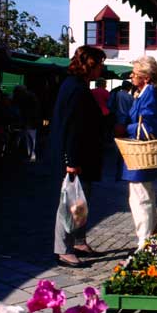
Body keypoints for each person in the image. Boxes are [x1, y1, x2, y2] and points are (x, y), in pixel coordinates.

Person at [49, 45, 106, 268]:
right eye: (100, 64)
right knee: (70, 203)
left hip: (83, 155)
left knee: (81, 201)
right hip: (76, 157)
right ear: (90, 65)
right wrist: (71, 162)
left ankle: (79, 241)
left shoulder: (77, 85)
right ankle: (63, 250)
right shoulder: (76, 89)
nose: (102, 68)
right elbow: (72, 127)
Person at [118, 56, 157, 250]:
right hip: (139, 153)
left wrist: (125, 129)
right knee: (144, 194)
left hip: (140, 152)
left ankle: (144, 240)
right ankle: (150, 234)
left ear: (145, 77)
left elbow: (147, 125)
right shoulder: (144, 92)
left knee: (139, 197)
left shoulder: (149, 95)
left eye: (135, 73)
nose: (131, 76)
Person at [13, 85, 41, 162]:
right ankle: (31, 155)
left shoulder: (27, 98)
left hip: (30, 121)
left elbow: (29, 111)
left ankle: (31, 154)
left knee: (30, 138)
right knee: (31, 138)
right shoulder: (30, 97)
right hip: (30, 121)